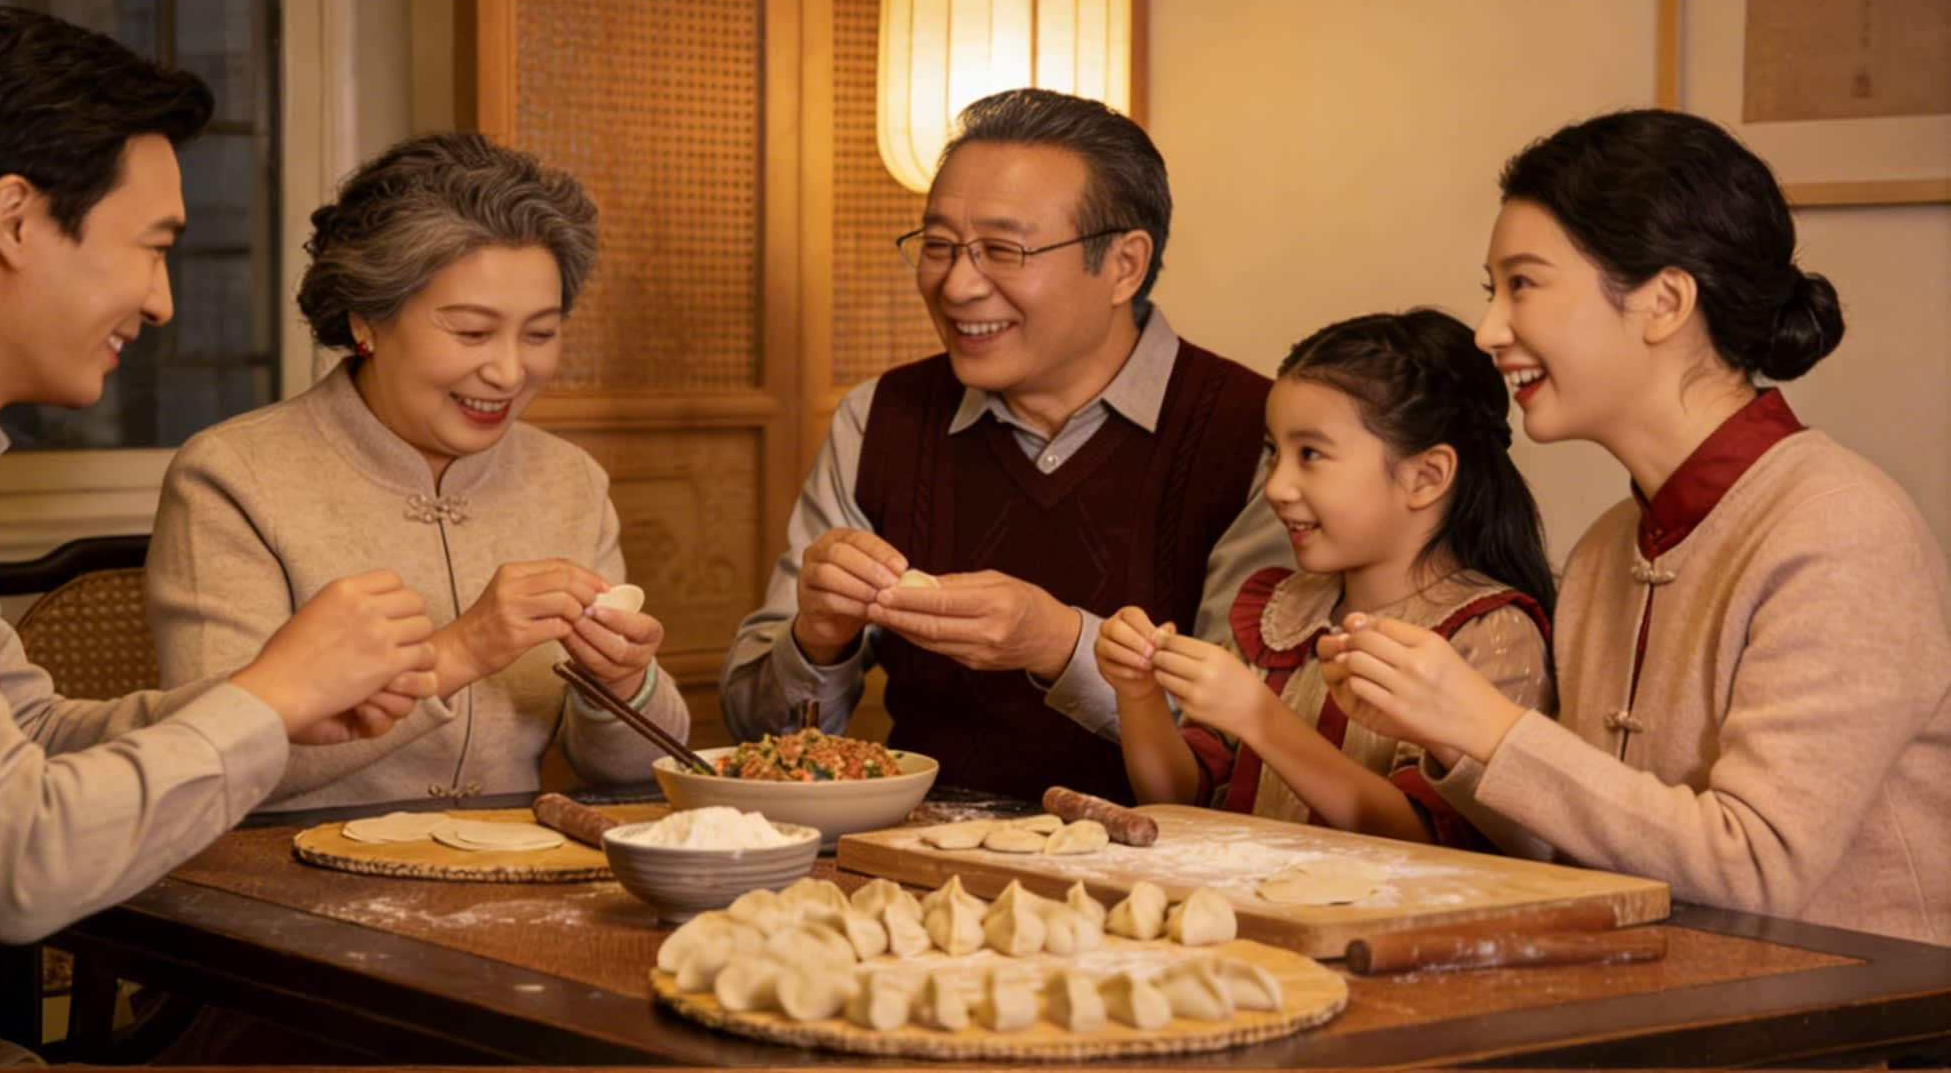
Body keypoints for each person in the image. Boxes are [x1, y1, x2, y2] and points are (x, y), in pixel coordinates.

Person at [0, 7, 437, 1065]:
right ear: (14, 218)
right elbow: (7, 859)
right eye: (150, 248)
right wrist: (263, 698)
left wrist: (276, 711)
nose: (163, 303)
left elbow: (26, 741)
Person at [1321, 109, 1951, 943]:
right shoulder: (1608, 545)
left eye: (1523, 283)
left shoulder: (1839, 527)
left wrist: (1488, 725)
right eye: (1491, 289)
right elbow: (1588, 845)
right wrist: (1448, 737)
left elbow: (1756, 868)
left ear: (1662, 301)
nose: (1488, 331)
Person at [721, 88, 1288, 803]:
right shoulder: (879, 420)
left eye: (1002, 250)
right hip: (918, 865)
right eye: (937, 247)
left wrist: (1061, 646)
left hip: (1165, 879)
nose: (957, 285)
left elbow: (1254, 739)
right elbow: (754, 734)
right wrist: (817, 638)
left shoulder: (1257, 435)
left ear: (1123, 265)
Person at [147, 132, 689, 808]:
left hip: (509, 880)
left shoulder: (568, 480)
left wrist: (624, 682)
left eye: (540, 333)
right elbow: (219, 760)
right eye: (470, 331)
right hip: (280, 887)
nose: (510, 370)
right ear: (367, 318)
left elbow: (635, 774)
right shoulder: (234, 477)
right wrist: (459, 651)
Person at [1096, 309, 1555, 852]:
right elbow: (1175, 799)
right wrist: (1139, 693)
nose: (1277, 486)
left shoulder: (1488, 634)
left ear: (1426, 476)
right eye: (1273, 453)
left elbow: (1436, 841)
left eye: (1310, 454)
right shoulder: (1277, 610)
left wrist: (1260, 718)